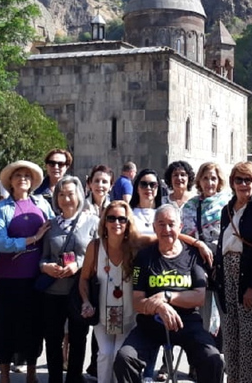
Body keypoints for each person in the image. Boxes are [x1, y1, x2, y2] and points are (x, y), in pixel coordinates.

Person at [113, 204, 225, 383]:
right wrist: (160, 307)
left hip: (187, 323)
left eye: (171, 224)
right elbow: (137, 301)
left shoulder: (193, 254)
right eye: (161, 224)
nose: (166, 229)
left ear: (180, 227)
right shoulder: (144, 257)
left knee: (213, 359)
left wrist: (166, 296)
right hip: (150, 324)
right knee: (124, 358)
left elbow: (199, 297)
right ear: (154, 227)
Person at [0, 160, 54, 383]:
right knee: (4, 327)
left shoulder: (42, 205)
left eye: (27, 175)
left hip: (34, 278)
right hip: (7, 278)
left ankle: (31, 374)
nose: (22, 178)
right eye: (18, 175)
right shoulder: (3, 207)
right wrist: (31, 239)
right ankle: (5, 376)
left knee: (33, 327)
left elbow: (54, 230)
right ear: (11, 182)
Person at [216, 161, 252, 383]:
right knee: (231, 342)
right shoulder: (227, 209)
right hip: (228, 278)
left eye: (248, 180)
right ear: (232, 183)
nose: (243, 184)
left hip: (249, 278)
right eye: (238, 180)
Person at [39, 176, 100, 383]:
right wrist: (46, 267)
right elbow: (43, 257)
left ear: (79, 196)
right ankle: (54, 378)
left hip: (79, 290)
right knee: (53, 339)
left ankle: (74, 378)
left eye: (70, 194)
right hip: (53, 292)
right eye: (62, 194)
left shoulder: (92, 222)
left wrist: (79, 264)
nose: (66, 199)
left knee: (78, 337)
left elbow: (98, 255)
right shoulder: (51, 225)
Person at [80, 200, 139, 383]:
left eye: (122, 219)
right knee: (105, 353)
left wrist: (196, 243)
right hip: (102, 314)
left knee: (119, 355)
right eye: (111, 218)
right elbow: (83, 278)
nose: (116, 223)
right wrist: (86, 301)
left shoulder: (135, 246)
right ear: (104, 222)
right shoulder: (95, 247)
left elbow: (164, 236)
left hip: (129, 315)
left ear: (128, 222)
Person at [180, 162, 230, 334]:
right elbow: (185, 234)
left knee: (227, 317)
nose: (209, 182)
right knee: (202, 316)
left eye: (213, 178)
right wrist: (200, 245)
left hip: (223, 263)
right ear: (199, 181)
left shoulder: (228, 203)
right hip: (199, 263)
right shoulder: (190, 206)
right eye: (206, 178)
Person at [129, 169, 163, 238]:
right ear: (137, 188)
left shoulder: (163, 213)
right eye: (143, 184)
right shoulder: (128, 213)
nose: (148, 188)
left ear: (158, 188)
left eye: (152, 184)